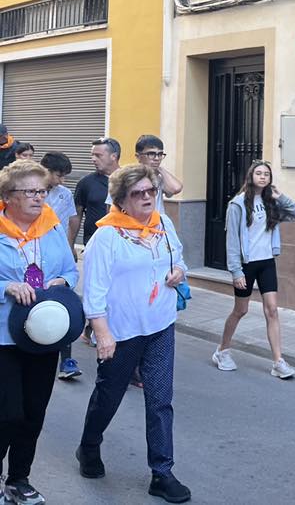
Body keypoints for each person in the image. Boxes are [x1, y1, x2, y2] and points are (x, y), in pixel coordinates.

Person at [76, 164, 190, 503]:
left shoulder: (163, 224)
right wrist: (103, 333)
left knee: (159, 400)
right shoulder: (106, 237)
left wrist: (179, 271)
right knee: (108, 396)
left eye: (150, 192)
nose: (146, 198)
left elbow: (180, 257)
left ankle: (162, 471)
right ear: (121, 200)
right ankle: (89, 445)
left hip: (160, 325)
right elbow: (93, 291)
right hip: (122, 332)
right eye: (137, 193)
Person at [0, 160, 78, 505]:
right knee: (7, 412)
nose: (38, 198)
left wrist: (64, 282)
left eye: (42, 191)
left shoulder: (53, 226)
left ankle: (19, 479)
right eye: (29, 192)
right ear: (7, 196)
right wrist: (7, 285)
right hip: (3, 335)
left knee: (34, 411)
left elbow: (70, 269)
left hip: (45, 335)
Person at [212, 160, 295, 379]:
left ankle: (278, 362)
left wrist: (280, 197)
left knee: (272, 310)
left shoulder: (271, 202)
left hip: (266, 262)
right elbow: (232, 239)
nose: (263, 177)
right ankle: (222, 351)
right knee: (240, 310)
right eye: (259, 173)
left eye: (266, 174)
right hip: (246, 264)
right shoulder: (237, 204)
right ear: (251, 176)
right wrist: (236, 271)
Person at [41, 152, 82, 381]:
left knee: (65, 305)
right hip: (31, 259)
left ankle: (66, 361)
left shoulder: (64, 194)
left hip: (57, 257)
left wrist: (70, 248)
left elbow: (68, 222)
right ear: (45, 169)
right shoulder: (28, 189)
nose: (61, 181)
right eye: (58, 175)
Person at [72, 138, 120, 250]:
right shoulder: (86, 183)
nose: (93, 159)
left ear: (113, 156)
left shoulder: (129, 180)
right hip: (93, 244)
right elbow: (76, 215)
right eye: (92, 155)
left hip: (122, 244)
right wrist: (71, 245)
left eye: (98, 155)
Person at [134, 136, 183, 212]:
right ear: (138, 157)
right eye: (151, 154)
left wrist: (161, 169)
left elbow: (176, 188)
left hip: (157, 222)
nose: (157, 158)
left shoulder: (159, 177)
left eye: (160, 154)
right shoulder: (128, 178)